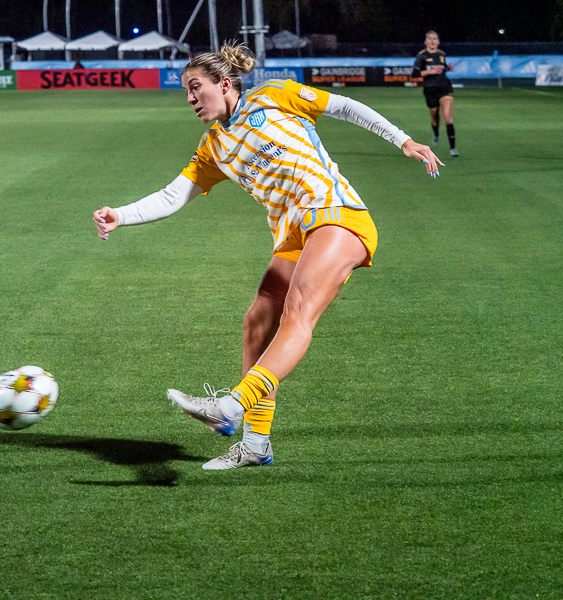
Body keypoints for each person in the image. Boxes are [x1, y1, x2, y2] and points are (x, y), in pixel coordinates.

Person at [93, 44, 443, 470]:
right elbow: (172, 196)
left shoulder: (274, 95)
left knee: (298, 312)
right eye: (186, 91)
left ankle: (231, 405)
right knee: (257, 323)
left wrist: (402, 140)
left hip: (337, 214)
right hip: (293, 235)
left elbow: (343, 106)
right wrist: (120, 215)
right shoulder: (214, 147)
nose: (189, 98)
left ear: (224, 84)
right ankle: (255, 443)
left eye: (195, 87)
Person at [412, 30, 459, 157]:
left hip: (445, 88)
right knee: (435, 119)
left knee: (447, 117)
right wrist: (430, 71)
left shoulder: (442, 54)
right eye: (430, 38)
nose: (432, 41)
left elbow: (442, 68)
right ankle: (436, 133)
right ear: (425, 41)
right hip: (430, 90)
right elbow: (415, 73)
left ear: (438, 41)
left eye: (435, 39)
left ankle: (453, 149)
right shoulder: (421, 56)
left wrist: (447, 68)